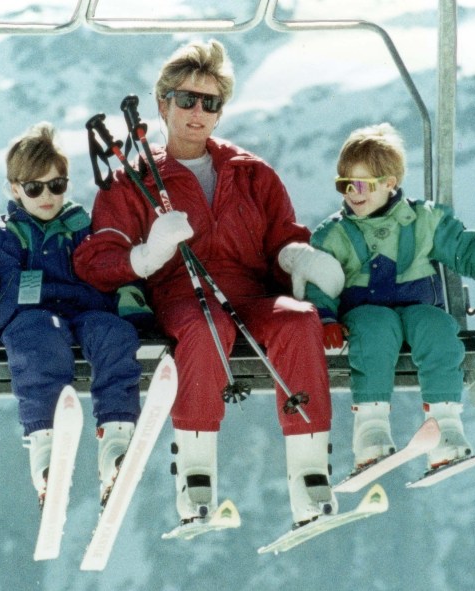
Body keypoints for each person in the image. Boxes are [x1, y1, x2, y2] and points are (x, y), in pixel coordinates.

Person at [74, 40, 345, 527]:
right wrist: (146, 254)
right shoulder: (133, 181)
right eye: (186, 100)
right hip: (180, 294)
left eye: (210, 102)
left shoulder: (251, 173)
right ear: (163, 103)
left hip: (251, 294)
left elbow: (283, 235)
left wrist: (297, 256)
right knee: (203, 327)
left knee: (299, 321)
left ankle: (311, 474)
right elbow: (97, 258)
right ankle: (195, 476)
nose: (198, 112)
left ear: (221, 112)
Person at [0, 122, 143, 506]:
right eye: (34, 188)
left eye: (56, 185)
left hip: (84, 312)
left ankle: (116, 440)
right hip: (29, 319)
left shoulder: (86, 229)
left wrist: (132, 303)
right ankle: (46, 448)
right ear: (14, 188)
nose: (47, 197)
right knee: (40, 339)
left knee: (114, 334)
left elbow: (116, 268)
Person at [304, 122, 475, 471]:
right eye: (343, 185)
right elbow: (318, 280)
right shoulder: (336, 234)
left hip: (419, 308)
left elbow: (465, 246)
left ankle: (447, 426)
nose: (351, 194)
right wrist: (326, 318)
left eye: (360, 185)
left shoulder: (423, 220)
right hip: (364, 312)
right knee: (375, 330)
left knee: (439, 329)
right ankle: (371, 431)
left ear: (389, 183)